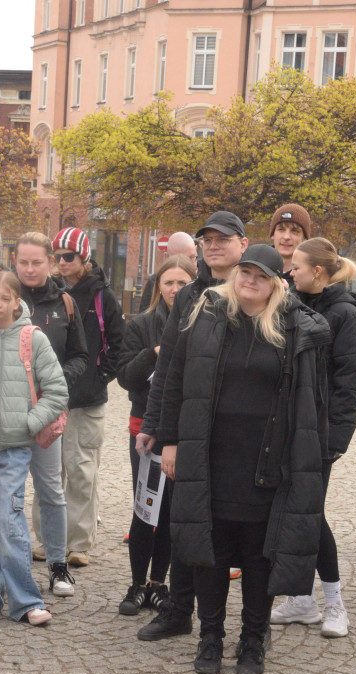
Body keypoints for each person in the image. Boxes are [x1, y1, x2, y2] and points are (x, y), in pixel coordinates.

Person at [159, 244, 330, 674]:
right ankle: (210, 638)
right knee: (210, 552)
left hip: (266, 461)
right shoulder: (208, 316)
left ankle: (253, 640)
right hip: (212, 456)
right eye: (244, 273)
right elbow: (175, 379)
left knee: (259, 556)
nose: (249, 281)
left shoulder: (295, 328)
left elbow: (316, 397)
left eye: (259, 275)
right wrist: (171, 441)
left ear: (276, 283)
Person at [135, 210, 248, 642]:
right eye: (208, 240)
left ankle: (246, 627)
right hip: (191, 427)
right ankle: (179, 609)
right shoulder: (188, 296)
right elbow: (170, 368)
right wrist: (159, 429)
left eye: (224, 238)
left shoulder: (254, 287)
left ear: (242, 243)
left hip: (240, 430)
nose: (214, 245)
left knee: (239, 530)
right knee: (184, 519)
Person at [270, 237, 356, 639]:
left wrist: (335, 440)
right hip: (285, 429)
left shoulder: (346, 315)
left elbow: (352, 381)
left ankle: (335, 603)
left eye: (296, 265)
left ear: (319, 271)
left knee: (311, 515)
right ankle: (302, 599)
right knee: (287, 512)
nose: (289, 271)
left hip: (321, 434)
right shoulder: (292, 303)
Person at [0, 271, 68, 627]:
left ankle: (25, 599)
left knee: (10, 520)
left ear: (17, 302)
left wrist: (29, 422)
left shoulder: (33, 339)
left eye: (5, 298)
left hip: (16, 449)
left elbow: (57, 391)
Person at [116, 255, 196, 615]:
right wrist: (154, 354)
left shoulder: (199, 322)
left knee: (168, 512)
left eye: (182, 283)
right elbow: (126, 378)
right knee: (143, 508)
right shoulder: (142, 324)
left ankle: (158, 584)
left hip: (181, 430)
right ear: (157, 286)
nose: (175, 290)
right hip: (144, 428)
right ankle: (136, 583)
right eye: (168, 283)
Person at [14, 232, 87, 597]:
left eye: (36, 262)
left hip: (47, 413)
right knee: (5, 492)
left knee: (51, 491)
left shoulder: (64, 303)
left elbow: (82, 356)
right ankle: (8, 563)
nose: (29, 269)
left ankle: (58, 566)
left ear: (49, 262)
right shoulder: (2, 297)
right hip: (6, 413)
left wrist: (57, 381)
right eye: (23, 262)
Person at [51, 227, 125, 567]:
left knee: (81, 471)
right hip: (51, 396)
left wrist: (100, 377)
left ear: (84, 257)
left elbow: (119, 344)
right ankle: (47, 539)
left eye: (69, 256)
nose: (62, 263)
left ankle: (78, 543)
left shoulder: (103, 297)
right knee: (49, 472)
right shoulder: (51, 293)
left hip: (87, 398)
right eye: (57, 257)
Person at [139, 232, 197, 311]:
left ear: (196, 250)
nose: (185, 266)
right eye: (169, 283)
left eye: (191, 258)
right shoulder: (154, 282)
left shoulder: (208, 278)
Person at [268, 203, 310, 285]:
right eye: (281, 229)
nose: (286, 237)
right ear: (272, 234)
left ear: (305, 239)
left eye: (294, 231)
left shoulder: (311, 281)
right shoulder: (256, 270)